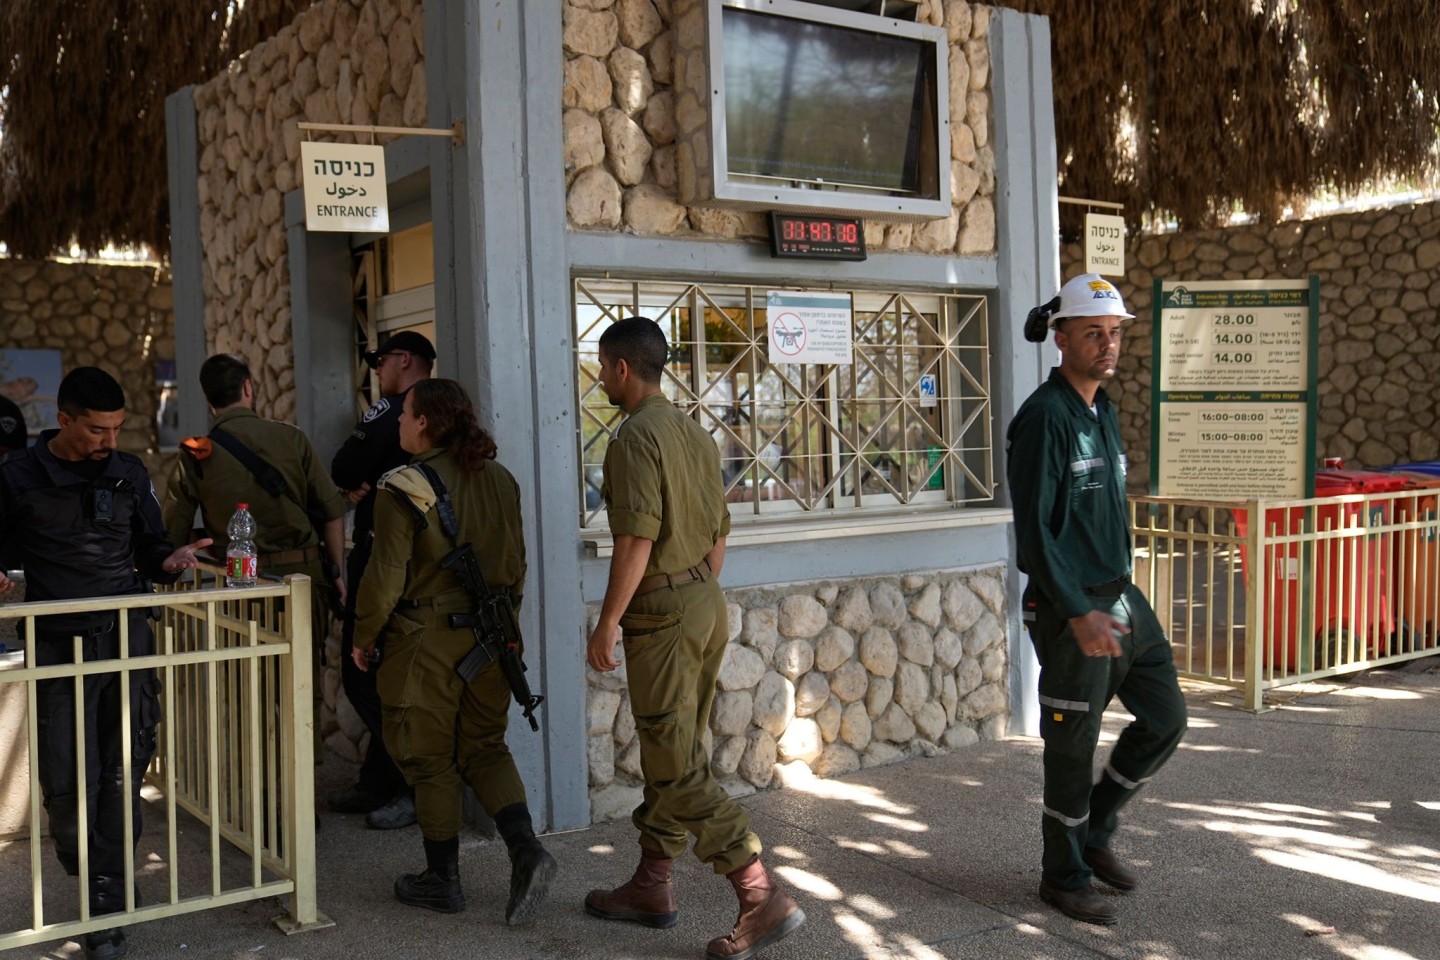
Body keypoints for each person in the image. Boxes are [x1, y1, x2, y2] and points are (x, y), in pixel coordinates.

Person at [584, 317, 805, 960]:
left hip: (665, 612)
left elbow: (636, 539)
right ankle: (653, 884)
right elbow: (719, 532)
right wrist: (694, 592)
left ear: (623, 369)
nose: (600, 378)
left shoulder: (632, 439)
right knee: (676, 747)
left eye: (603, 366)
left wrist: (608, 622)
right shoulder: (692, 432)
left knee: (676, 761)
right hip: (705, 601)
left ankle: (759, 892)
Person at [0, 367, 211, 960]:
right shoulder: (15, 477)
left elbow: (148, 546)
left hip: (127, 638)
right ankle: (87, 872)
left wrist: (168, 559)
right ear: (63, 421)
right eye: (97, 430)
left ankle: (106, 905)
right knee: (69, 782)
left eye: (117, 428)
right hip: (57, 645)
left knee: (125, 770)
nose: (109, 440)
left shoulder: (129, 472)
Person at [1007, 274, 1188, 925]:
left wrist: (1113, 600)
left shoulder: (1101, 409)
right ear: (1061, 339)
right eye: (1094, 333)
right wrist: (1077, 610)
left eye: (1114, 334)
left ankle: (1096, 831)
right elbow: (1035, 534)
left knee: (1166, 718)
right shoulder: (1044, 418)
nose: (1108, 345)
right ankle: (1063, 875)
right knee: (1071, 747)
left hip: (1121, 598)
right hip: (1070, 608)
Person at [350, 378, 556, 924]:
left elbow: (383, 579)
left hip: (426, 644)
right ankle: (526, 850)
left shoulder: (401, 488)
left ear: (425, 423)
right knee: (485, 746)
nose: (397, 422)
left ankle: (442, 880)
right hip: (495, 637)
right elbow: (518, 563)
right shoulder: (501, 479)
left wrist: (363, 637)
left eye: (405, 414)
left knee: (430, 758)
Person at [162, 354, 348, 647]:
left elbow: (174, 529)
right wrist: (336, 572)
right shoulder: (292, 439)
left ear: (208, 399)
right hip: (303, 578)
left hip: (242, 583)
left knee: (251, 682)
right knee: (303, 679)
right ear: (248, 388)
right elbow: (332, 511)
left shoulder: (194, 456)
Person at [327, 330, 435, 829]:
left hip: (384, 558)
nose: (376, 369)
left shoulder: (394, 409)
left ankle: (411, 783)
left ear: (405, 360)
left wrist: (355, 482)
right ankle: (379, 781)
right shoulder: (442, 408)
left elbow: (344, 465)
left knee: (363, 674)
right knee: (384, 676)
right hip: (424, 564)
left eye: (380, 360)